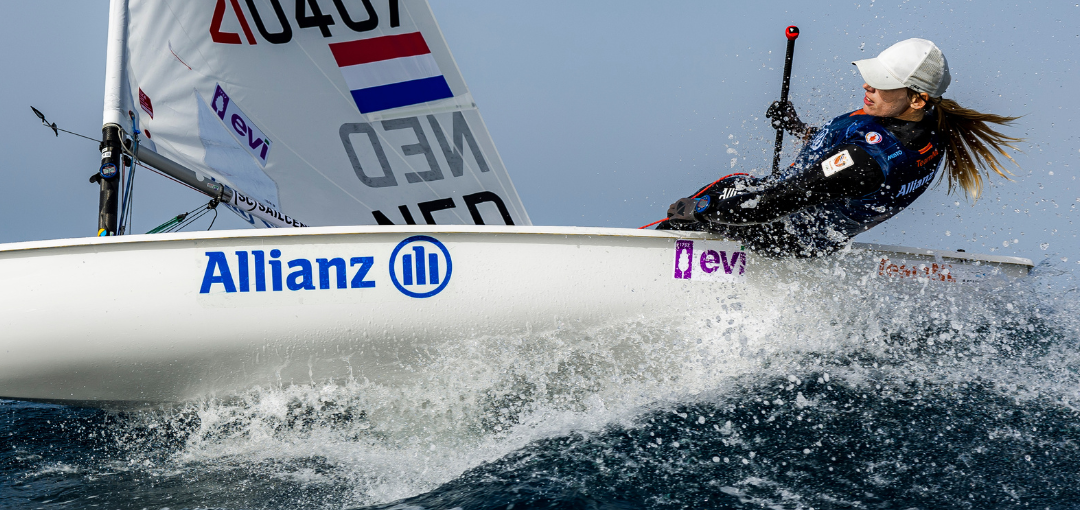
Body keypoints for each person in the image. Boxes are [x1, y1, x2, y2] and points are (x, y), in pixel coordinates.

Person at [659, 38, 1021, 257]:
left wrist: (702, 209)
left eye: (881, 83)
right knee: (736, 188)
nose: (868, 86)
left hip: (785, 235)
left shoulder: (870, 162)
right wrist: (801, 129)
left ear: (917, 99)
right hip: (797, 219)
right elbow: (840, 156)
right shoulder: (920, 123)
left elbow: (777, 202)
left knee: (727, 188)